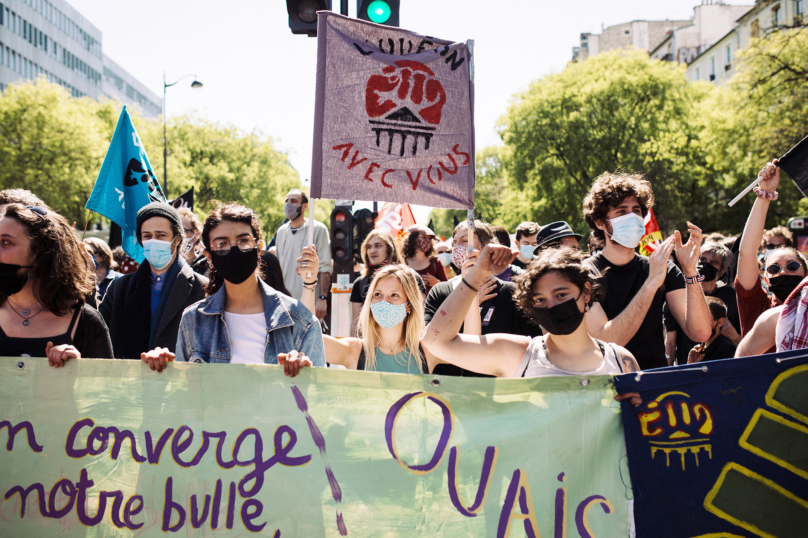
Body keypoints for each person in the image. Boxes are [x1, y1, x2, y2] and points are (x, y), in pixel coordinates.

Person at [140, 203, 325, 371]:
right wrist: (161, 369)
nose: (234, 249)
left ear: (259, 247)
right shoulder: (193, 319)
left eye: (243, 240)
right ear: (209, 256)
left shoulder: (301, 322)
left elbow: (319, 400)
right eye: (221, 244)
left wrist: (305, 377)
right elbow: (185, 394)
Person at [421, 245, 641, 380]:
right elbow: (434, 341)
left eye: (561, 295)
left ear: (585, 292)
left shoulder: (621, 360)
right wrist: (476, 274)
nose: (551, 305)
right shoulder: (518, 356)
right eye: (540, 299)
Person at [581, 172, 711, 370]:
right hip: (608, 384)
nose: (632, 218)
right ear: (600, 222)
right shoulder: (585, 274)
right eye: (621, 212)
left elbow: (700, 333)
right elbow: (607, 344)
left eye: (637, 211)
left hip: (654, 381)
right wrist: (651, 284)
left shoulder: (662, 268)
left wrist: (690, 271)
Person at [425, 220, 542, 377]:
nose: (457, 246)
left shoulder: (512, 294)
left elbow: (534, 348)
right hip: (450, 391)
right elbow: (430, 347)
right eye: (455, 242)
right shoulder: (440, 292)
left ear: (488, 248)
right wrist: (467, 303)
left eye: (465, 241)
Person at [0, 204, 112, 364]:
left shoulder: (86, 321)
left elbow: (106, 386)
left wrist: (78, 372)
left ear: (40, 255)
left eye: (6, 242)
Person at [284, 263, 439, 377]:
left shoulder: (426, 352)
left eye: (394, 295)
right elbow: (308, 336)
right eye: (377, 294)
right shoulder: (356, 352)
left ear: (409, 305)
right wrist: (309, 283)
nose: (384, 301)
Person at [100, 202, 208, 359]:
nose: (153, 241)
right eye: (147, 236)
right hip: (127, 378)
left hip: (179, 379)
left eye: (161, 235)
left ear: (177, 239)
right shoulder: (119, 288)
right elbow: (97, 334)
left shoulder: (202, 288)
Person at [735, 161, 807, 357]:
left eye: (792, 266)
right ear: (765, 279)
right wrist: (765, 195)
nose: (783, 272)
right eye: (774, 269)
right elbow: (747, 253)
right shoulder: (757, 305)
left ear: (805, 274)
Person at [664, 241, 741, 365]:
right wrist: (666, 375)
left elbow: (744, 342)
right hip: (690, 370)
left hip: (724, 370)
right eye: (703, 259)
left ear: (723, 269)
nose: (706, 265)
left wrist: (734, 337)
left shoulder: (732, 297)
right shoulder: (680, 296)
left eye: (714, 262)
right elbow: (670, 343)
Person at [275, 189, 332, 319]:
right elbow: (277, 268)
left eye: (293, 201)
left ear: (304, 206)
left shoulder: (317, 229)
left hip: (309, 302)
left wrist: (322, 299)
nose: (288, 205)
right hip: (284, 303)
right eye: (287, 201)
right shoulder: (281, 231)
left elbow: (325, 267)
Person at [350, 230, 401, 336]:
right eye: (369, 247)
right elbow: (356, 327)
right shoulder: (360, 284)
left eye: (378, 246)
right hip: (371, 347)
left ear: (389, 249)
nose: (372, 250)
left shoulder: (408, 279)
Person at [687, 297, 737, 363]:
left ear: (720, 322)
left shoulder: (726, 349)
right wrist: (691, 364)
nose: (699, 322)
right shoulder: (697, 351)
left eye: (704, 318)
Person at [401, 224, 446, 293]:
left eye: (429, 238)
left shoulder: (435, 263)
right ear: (413, 239)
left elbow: (447, 288)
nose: (427, 240)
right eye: (424, 237)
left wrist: (436, 283)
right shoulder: (402, 262)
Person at [178, 207, 208, 275]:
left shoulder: (207, 266)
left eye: (182, 231)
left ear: (196, 235)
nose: (178, 236)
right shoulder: (166, 266)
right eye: (174, 231)